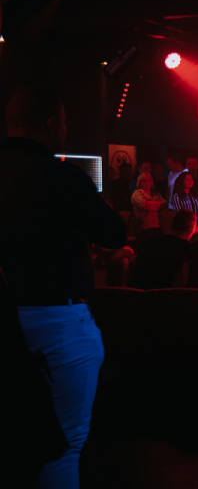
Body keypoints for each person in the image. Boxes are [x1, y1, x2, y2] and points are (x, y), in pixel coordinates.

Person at [2, 86, 127, 487]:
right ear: (52, 123)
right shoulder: (61, 174)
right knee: (62, 446)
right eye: (65, 121)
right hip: (57, 321)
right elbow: (114, 233)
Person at [130, 209, 196, 289]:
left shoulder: (150, 242)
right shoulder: (186, 249)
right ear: (191, 229)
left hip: (138, 293)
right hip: (166, 294)